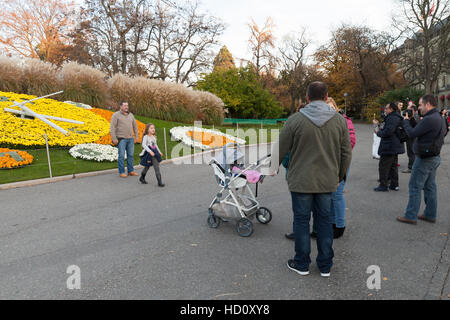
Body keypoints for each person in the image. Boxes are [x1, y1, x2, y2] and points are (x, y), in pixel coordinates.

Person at [273, 81, 352, 277]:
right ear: (326, 97)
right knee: (324, 221)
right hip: (327, 181)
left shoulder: (294, 120)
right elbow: (346, 154)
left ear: (307, 98)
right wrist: (339, 176)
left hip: (301, 180)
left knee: (301, 221)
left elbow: (280, 149)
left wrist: (271, 168)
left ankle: (302, 263)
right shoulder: (340, 121)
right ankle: (325, 265)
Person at [397, 95, 447, 225]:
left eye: (420, 105)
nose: (419, 108)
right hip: (434, 156)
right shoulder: (439, 117)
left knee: (415, 186)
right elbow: (422, 130)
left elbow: (412, 133)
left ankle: (410, 216)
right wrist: (413, 120)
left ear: (428, 104)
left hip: (425, 158)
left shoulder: (430, 118)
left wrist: (406, 121)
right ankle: (430, 214)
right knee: (430, 187)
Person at [372, 102, 405, 192]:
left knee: (383, 166)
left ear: (391, 109)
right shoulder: (396, 117)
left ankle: (383, 185)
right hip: (394, 145)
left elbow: (388, 131)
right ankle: (394, 185)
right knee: (393, 166)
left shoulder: (392, 118)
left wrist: (378, 133)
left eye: (386, 108)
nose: (385, 110)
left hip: (389, 146)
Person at [110, 101, 140, 178]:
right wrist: (114, 138)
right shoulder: (116, 115)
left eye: (127, 105)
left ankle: (131, 171)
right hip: (121, 139)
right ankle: (122, 172)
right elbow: (112, 128)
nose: (127, 107)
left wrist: (136, 137)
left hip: (130, 139)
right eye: (125, 105)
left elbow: (135, 127)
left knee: (130, 155)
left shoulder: (131, 115)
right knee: (121, 156)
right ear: (120, 107)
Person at [402, 104, 418, 173]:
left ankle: (411, 167)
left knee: (411, 152)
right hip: (411, 137)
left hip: (412, 137)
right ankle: (413, 166)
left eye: (409, 110)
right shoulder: (412, 117)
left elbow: (413, 127)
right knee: (411, 152)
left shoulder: (415, 117)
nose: (407, 111)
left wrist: (407, 120)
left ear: (414, 111)